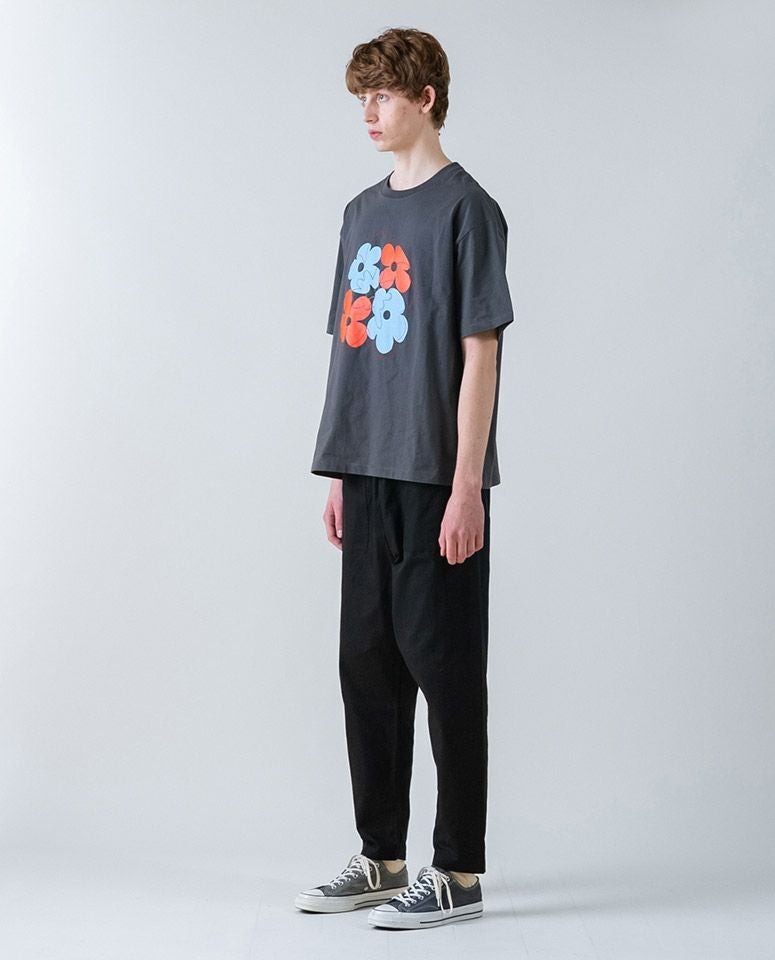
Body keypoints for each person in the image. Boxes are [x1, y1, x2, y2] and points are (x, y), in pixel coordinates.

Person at [296, 26, 515, 930]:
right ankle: (381, 855)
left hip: (435, 476)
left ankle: (457, 870)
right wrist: (340, 470)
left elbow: (480, 354)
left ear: (426, 98)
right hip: (367, 470)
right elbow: (351, 348)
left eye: (383, 94)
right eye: (363, 97)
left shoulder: (469, 211)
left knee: (446, 669)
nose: (369, 111)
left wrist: (466, 486)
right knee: (367, 666)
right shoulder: (360, 213)